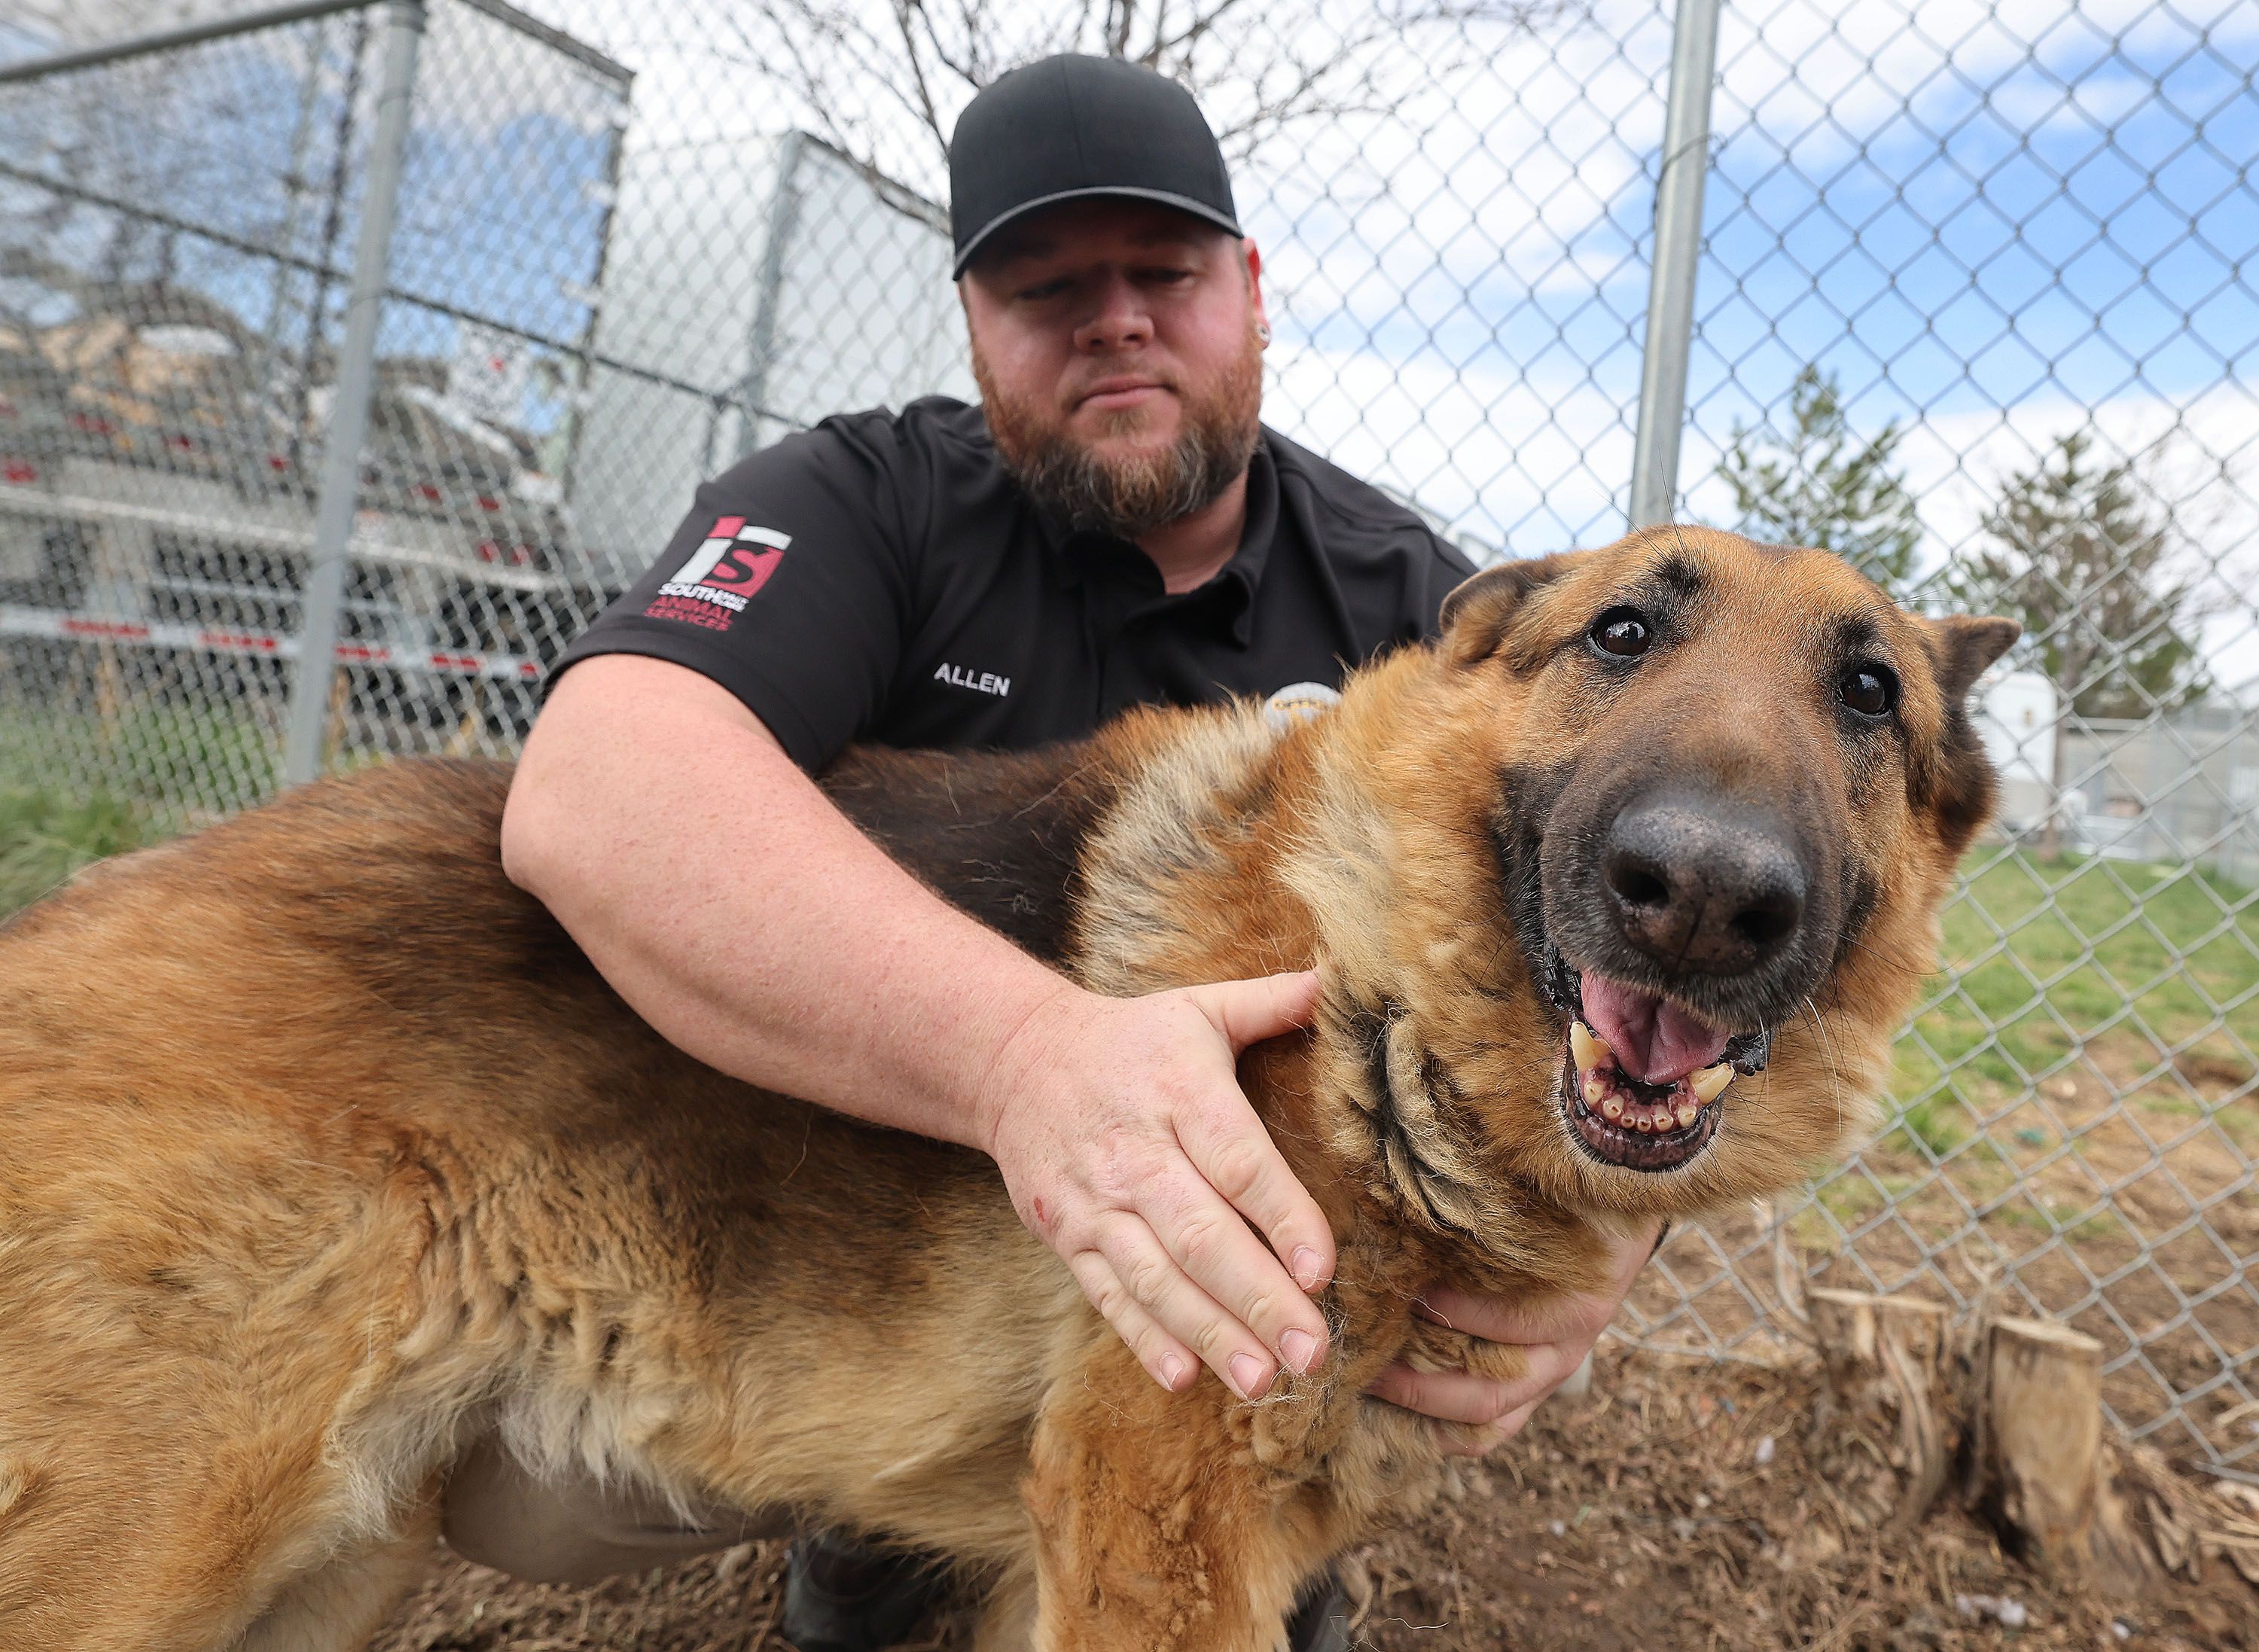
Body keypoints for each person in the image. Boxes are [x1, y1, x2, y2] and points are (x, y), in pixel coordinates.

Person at [495, 53, 1660, 1652]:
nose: (1112, 319)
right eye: (1045, 287)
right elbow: (595, 791)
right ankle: (866, 1532)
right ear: (975, 326)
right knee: (604, 1504)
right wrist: (1028, 1059)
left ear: (1249, 292)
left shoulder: (1424, 609)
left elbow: (1616, 934)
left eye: (1164, 275)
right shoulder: (868, 499)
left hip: (1273, 1335)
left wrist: (1610, 1253)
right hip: (860, 1256)